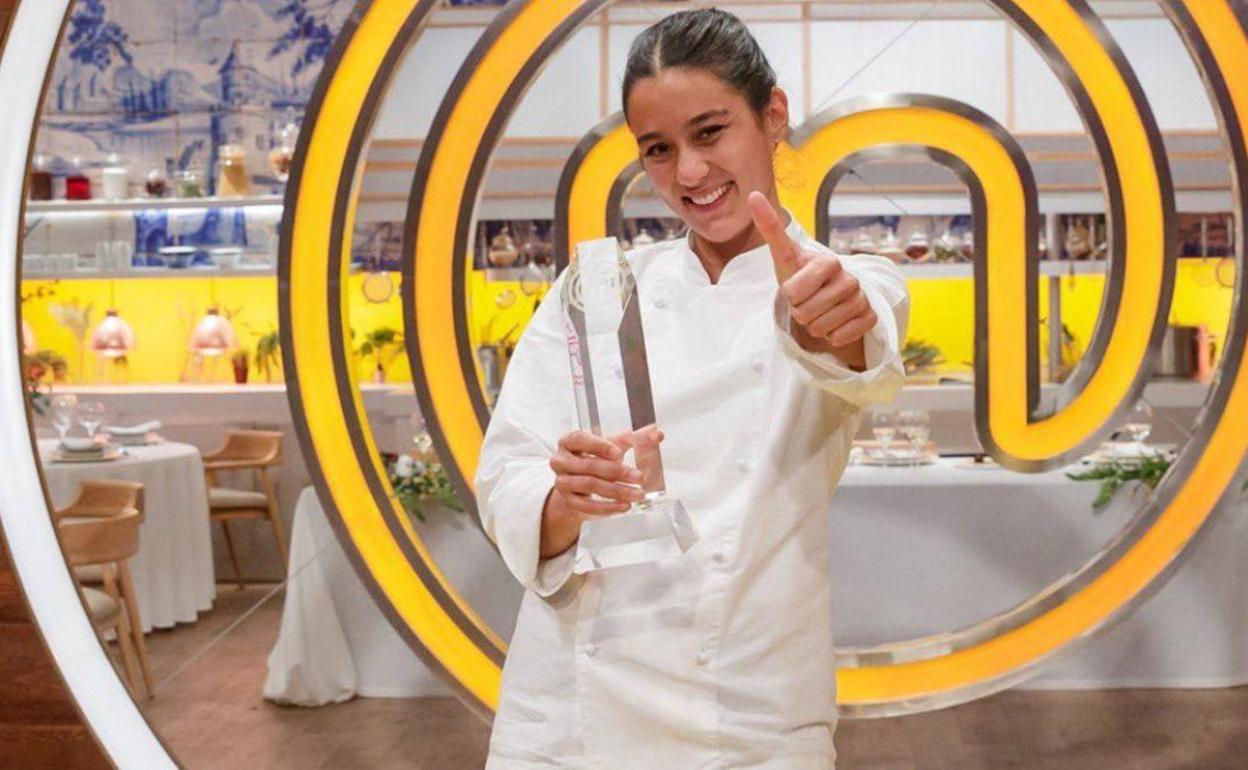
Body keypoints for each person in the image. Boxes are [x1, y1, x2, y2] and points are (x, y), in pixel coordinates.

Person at [475, 8, 909, 769]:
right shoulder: (597, 289)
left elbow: (851, 347)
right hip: (570, 709)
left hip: (749, 708)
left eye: (711, 133)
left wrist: (826, 319)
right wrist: (567, 500)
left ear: (772, 115)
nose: (689, 173)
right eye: (659, 150)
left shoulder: (848, 282)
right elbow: (508, 475)